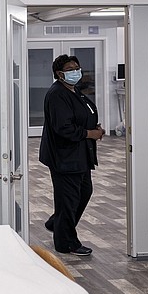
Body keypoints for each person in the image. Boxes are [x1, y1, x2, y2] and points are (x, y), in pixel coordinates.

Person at [39, 54, 105, 256]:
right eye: (70, 69)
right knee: (69, 199)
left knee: (84, 192)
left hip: (80, 155)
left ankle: (56, 223)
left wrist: (94, 127)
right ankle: (66, 242)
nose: (76, 71)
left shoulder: (74, 91)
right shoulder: (57, 94)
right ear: (59, 74)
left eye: (77, 67)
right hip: (65, 157)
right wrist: (90, 133)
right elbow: (63, 128)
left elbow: (83, 114)